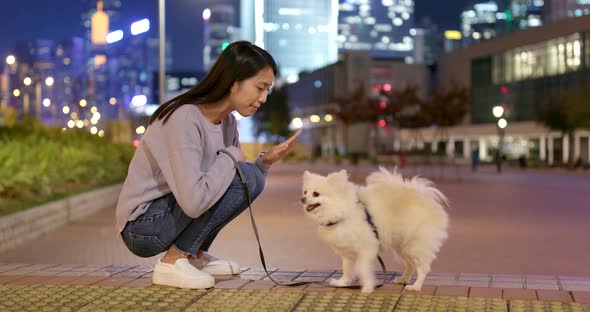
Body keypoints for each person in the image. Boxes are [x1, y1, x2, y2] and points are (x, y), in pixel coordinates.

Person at [115, 41, 301, 289]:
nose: (264, 98)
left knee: (253, 176)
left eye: (267, 90)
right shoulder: (184, 118)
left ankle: (194, 255)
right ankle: (173, 261)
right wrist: (230, 156)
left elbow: (223, 179)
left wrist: (262, 163)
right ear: (234, 81)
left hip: (172, 211)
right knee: (242, 176)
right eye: (260, 87)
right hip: (142, 226)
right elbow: (194, 202)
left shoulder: (228, 123)